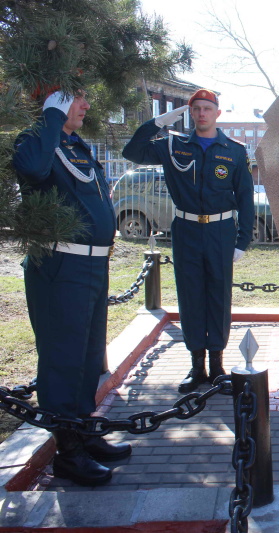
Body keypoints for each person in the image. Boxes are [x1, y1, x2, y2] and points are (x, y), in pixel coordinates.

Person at [13, 90, 132, 486]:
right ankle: (67, 454)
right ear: (55, 103)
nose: (85, 106)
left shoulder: (73, 144)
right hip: (61, 264)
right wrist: (49, 116)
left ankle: (82, 434)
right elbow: (31, 169)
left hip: (93, 264)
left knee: (86, 356)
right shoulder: (36, 138)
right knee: (64, 357)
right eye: (76, 99)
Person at [122, 89, 254, 393]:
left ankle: (218, 365)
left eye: (208, 108)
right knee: (191, 295)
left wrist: (241, 241)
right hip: (187, 230)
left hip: (221, 232)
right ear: (190, 114)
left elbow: (246, 198)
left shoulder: (234, 151)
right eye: (196, 109)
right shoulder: (173, 145)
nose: (202, 114)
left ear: (217, 113)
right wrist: (159, 121)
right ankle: (197, 366)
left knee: (218, 297)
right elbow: (133, 151)